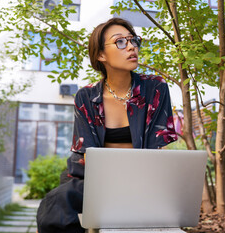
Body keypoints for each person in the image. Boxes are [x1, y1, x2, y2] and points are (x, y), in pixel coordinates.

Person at [36, 17, 178, 233]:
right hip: (92, 179)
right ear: (101, 54)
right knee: (55, 205)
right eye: (120, 42)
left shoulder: (155, 88)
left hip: (141, 178)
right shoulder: (86, 96)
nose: (131, 46)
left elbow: (157, 149)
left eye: (133, 40)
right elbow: (88, 155)